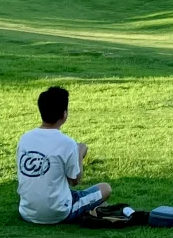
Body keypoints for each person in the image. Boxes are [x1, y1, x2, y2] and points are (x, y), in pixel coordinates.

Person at [16, 86, 111, 225]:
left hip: (26, 211)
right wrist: (80, 153)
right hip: (59, 212)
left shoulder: (25, 138)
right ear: (64, 114)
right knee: (105, 188)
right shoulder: (67, 143)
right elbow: (75, 180)